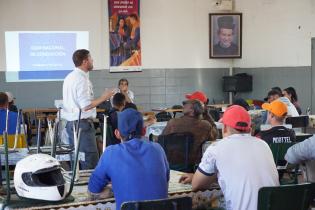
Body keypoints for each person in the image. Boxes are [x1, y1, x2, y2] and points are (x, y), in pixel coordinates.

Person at [179, 105, 279, 210]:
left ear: (225, 127)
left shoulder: (216, 148)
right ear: (250, 128)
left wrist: (196, 177)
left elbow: (197, 185)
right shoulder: (264, 145)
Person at [88, 108, 169, 209]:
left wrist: (114, 189)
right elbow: (165, 180)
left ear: (117, 133)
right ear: (143, 131)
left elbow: (93, 190)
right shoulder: (158, 149)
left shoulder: (111, 153)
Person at [62, 49, 115, 170]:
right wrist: (104, 97)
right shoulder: (81, 79)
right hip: (82, 125)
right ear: (85, 61)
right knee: (89, 162)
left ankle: (79, 188)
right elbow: (85, 105)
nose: (93, 61)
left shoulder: (69, 77)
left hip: (72, 124)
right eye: (91, 58)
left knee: (77, 162)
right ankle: (89, 189)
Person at [162, 99, 215, 166]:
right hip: (193, 164)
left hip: (171, 162)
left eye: (186, 105)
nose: (183, 106)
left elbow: (162, 139)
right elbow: (213, 138)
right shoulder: (205, 125)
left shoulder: (173, 123)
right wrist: (207, 114)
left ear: (192, 110)